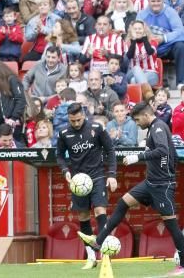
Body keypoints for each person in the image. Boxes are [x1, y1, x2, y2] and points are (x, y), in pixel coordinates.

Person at [79, 101, 184, 276]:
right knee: (123, 202)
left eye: (138, 120)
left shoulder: (158, 128)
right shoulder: (153, 128)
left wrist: (137, 157)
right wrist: (169, 168)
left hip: (162, 185)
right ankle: (99, 241)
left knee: (171, 225)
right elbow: (172, 154)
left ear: (147, 115)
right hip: (150, 182)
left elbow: (162, 150)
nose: (137, 124)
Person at [57, 102, 117, 270]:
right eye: (72, 121)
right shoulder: (63, 133)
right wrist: (65, 170)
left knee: (99, 211)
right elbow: (60, 156)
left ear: (83, 115)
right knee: (83, 216)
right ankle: (91, 257)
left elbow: (110, 150)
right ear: (68, 118)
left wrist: (112, 174)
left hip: (97, 176)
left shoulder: (97, 128)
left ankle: (105, 253)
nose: (76, 123)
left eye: (78, 120)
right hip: (78, 180)